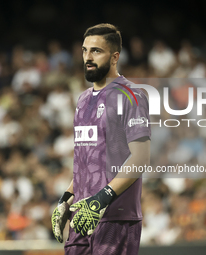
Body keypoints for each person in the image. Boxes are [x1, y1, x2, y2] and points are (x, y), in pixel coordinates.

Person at [51, 23, 151, 255]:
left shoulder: (132, 95)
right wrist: (66, 198)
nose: (88, 57)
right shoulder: (83, 100)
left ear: (115, 57)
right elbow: (87, 163)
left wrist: (100, 199)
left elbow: (141, 158)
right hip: (82, 217)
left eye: (96, 51)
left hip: (115, 218)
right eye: (85, 50)